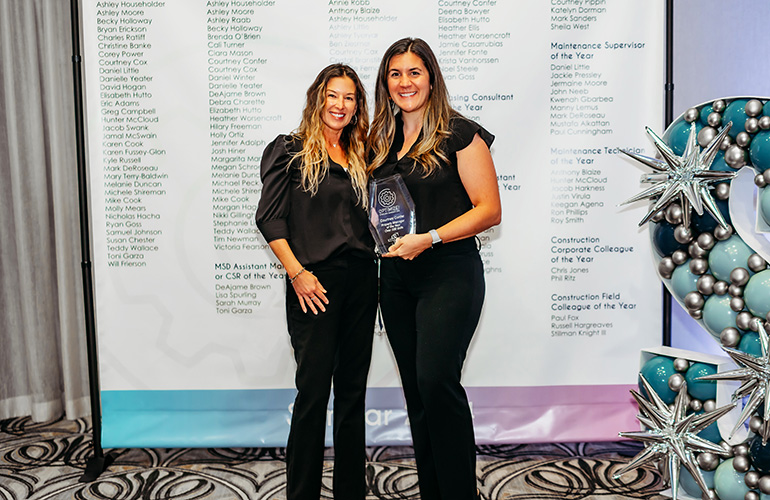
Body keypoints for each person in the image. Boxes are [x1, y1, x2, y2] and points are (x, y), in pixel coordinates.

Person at [368, 37, 502, 500]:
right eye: (395, 74)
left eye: (414, 72)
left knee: (436, 382)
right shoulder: (380, 142)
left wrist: (431, 237)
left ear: (432, 78)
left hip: (450, 272)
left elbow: (489, 210)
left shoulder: (460, 134)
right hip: (398, 281)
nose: (405, 82)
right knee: (418, 396)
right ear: (386, 83)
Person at [255, 64, 377, 500]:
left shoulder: (362, 154)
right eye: (333, 95)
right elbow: (268, 218)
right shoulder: (289, 149)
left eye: (349, 98)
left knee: (351, 395)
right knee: (312, 396)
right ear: (317, 98)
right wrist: (298, 274)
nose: (340, 105)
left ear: (357, 105)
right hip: (314, 285)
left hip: (363, 282)